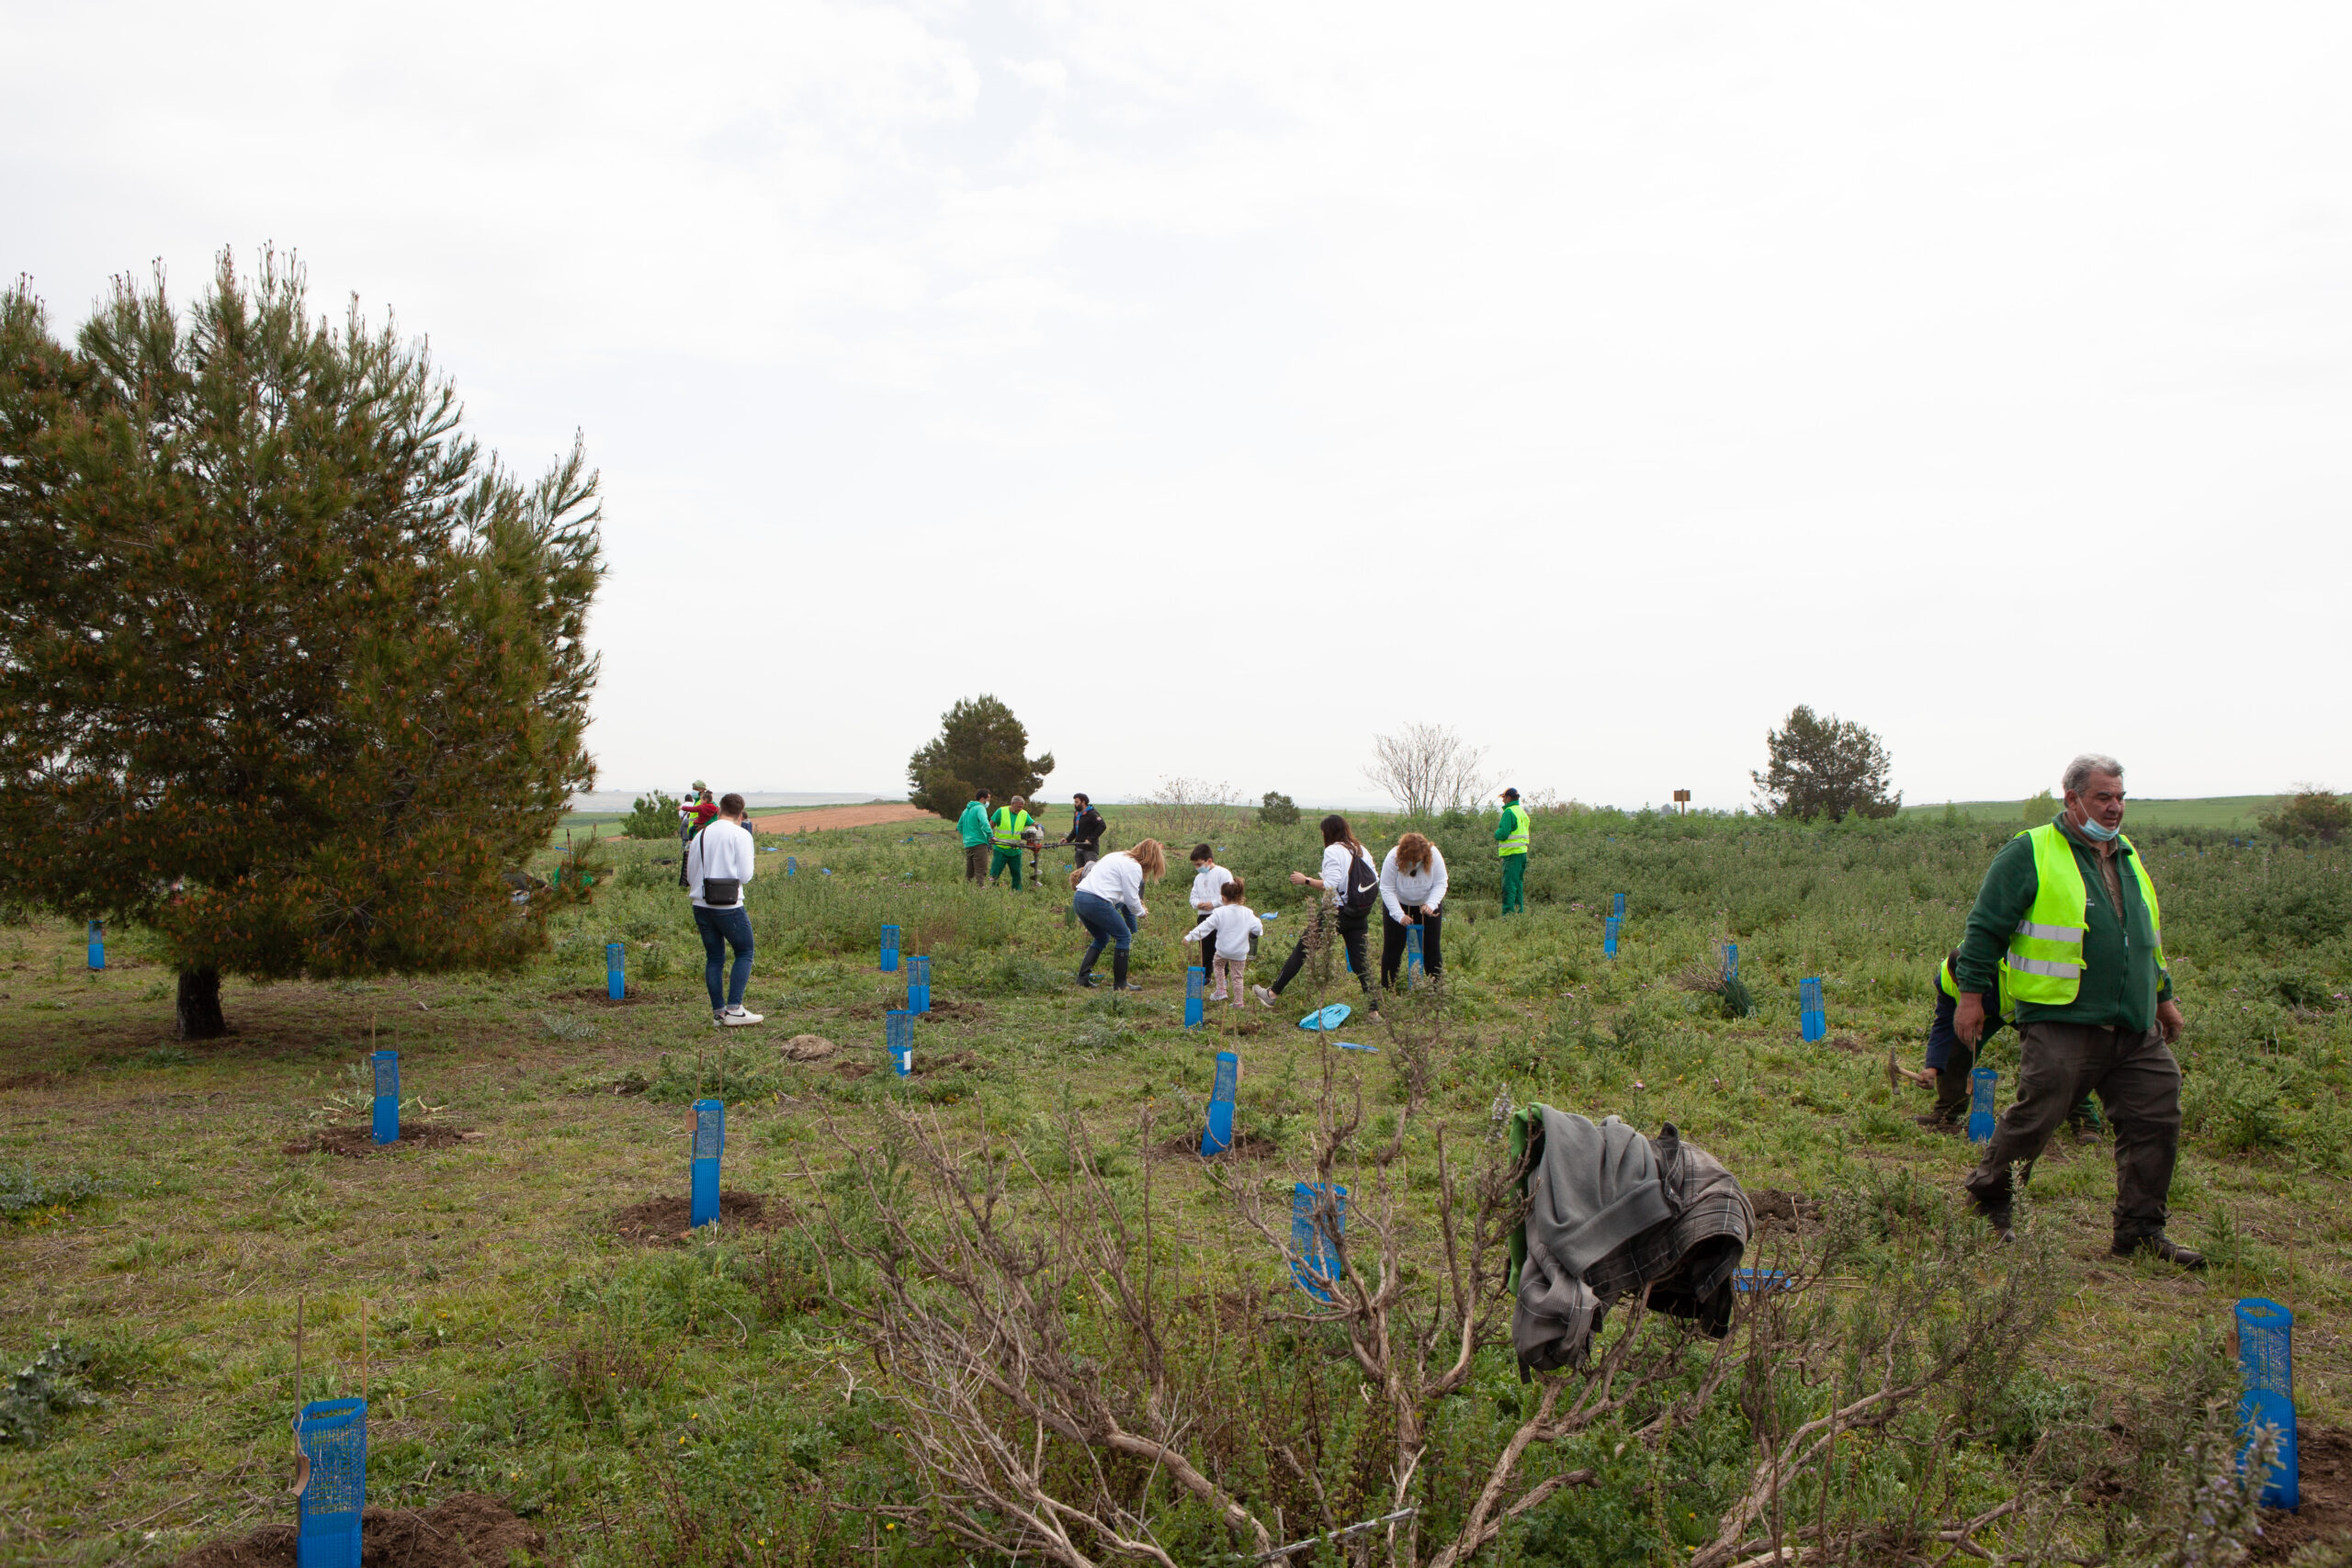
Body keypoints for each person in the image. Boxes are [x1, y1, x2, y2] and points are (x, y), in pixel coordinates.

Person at [1954, 754, 2198, 1266]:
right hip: (2062, 1018)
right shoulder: (2030, 852)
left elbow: (2145, 939)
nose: (2115, 808)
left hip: (2134, 1023)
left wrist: (2164, 998)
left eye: (2121, 797)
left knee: (2157, 1114)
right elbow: (1984, 931)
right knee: (2037, 1115)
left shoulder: (2127, 854)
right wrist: (1972, 999)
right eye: (2103, 797)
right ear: (2072, 799)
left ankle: (2140, 1233)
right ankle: (1990, 1204)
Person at [1916, 950, 2100, 1137]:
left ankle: (2085, 1122)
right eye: (1961, 985)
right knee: (1957, 1044)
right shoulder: (1947, 978)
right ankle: (1948, 1113)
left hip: (2026, 1006)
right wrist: (1932, 1067)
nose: (1964, 989)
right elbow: (1944, 1026)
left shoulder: (2019, 967)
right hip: (1980, 1010)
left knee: (2056, 1057)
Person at [1252, 815, 1380, 1012]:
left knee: (1302, 950)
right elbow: (1374, 879)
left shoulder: (1332, 851)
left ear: (1328, 832)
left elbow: (1331, 884)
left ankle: (1271, 994)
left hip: (1335, 911)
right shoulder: (1361, 849)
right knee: (1361, 962)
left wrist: (1306, 880)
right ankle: (1374, 1010)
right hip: (1359, 912)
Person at [686, 792, 763, 1027]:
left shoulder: (700, 834)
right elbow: (745, 876)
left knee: (714, 958)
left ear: (719, 809)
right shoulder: (741, 835)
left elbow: (690, 875)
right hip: (729, 905)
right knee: (745, 951)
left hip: (701, 904)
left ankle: (719, 1014)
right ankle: (735, 1009)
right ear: (741, 814)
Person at [1073, 839, 1169, 991]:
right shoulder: (1134, 867)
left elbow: (1120, 893)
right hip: (1096, 901)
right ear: (1151, 860)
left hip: (1080, 898)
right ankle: (1120, 984)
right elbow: (1131, 898)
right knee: (1124, 936)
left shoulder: (1117, 856)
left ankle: (1082, 978)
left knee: (1102, 937)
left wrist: (1137, 906)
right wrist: (1141, 913)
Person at [1378, 831, 1448, 989]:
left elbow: (1441, 883)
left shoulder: (1434, 855)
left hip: (1427, 905)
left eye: (1419, 860)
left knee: (1432, 947)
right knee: (1392, 947)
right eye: (1412, 861)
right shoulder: (1392, 858)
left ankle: (1435, 989)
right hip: (1400, 903)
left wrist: (1431, 904)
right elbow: (1387, 888)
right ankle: (1388, 988)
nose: (1415, 864)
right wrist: (1399, 915)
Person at [1184, 880, 1262, 1006]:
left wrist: (1190, 937)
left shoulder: (1219, 912)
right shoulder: (1248, 913)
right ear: (1240, 896)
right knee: (1238, 976)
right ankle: (1238, 1002)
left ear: (1223, 898)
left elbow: (1205, 927)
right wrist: (1256, 933)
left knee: (1218, 965)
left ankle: (1221, 990)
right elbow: (1257, 928)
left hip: (1223, 950)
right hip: (1240, 952)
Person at [1186, 844, 1235, 978]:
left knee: (1220, 948)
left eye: (1199, 864)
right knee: (1205, 948)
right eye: (1195, 865)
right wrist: (1198, 904)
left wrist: (1213, 904)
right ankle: (1206, 975)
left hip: (1221, 916)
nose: (1197, 868)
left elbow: (1229, 895)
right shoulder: (1199, 878)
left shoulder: (1223, 873)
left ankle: (1223, 977)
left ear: (1209, 861)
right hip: (1203, 917)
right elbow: (1193, 897)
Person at [1495, 787, 1531, 913]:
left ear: (1509, 798)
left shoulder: (1509, 812)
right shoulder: (1522, 812)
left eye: (1504, 798)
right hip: (1522, 854)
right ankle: (1518, 914)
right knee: (1518, 886)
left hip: (1511, 855)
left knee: (1509, 886)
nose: (1503, 801)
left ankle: (1508, 916)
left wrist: (1496, 833)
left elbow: (1503, 833)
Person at [989, 795, 1035, 889]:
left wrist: (1038, 830)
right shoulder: (1001, 811)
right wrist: (990, 837)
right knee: (995, 874)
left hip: (1016, 851)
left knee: (1017, 874)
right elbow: (990, 826)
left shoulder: (1024, 814)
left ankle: (1017, 893)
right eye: (1018, 807)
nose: (1020, 809)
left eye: (1022, 807)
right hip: (1001, 849)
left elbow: (1034, 825)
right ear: (1013, 804)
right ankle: (992, 892)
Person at [956, 787, 994, 884]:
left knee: (970, 872)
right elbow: (985, 823)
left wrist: (968, 835)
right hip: (979, 844)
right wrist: (991, 835)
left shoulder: (966, 810)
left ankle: (968, 891)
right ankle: (979, 893)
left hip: (968, 844)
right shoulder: (980, 808)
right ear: (983, 798)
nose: (988, 802)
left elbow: (959, 826)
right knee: (981, 871)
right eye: (988, 800)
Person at [1061, 794, 1107, 871]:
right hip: (1079, 848)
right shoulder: (1077, 814)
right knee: (1080, 874)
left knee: (1091, 872)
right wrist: (1068, 839)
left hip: (1090, 850)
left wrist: (1090, 839)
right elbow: (1076, 830)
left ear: (1083, 802)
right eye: (1075, 802)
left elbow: (1102, 826)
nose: (1075, 804)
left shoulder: (1092, 814)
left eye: (1077, 802)